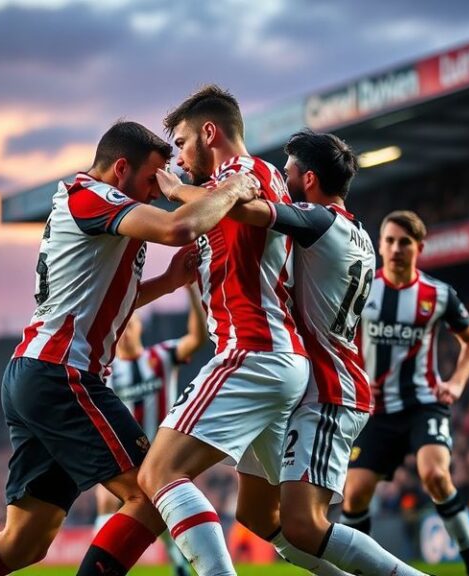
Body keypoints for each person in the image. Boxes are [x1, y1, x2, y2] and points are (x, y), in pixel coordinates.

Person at [0, 120, 258, 576]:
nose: (156, 190)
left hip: (37, 373)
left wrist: (165, 284)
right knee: (151, 491)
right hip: (61, 372)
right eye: (151, 178)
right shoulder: (93, 195)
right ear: (120, 168)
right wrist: (233, 189)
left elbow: (101, 300)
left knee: (24, 541)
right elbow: (179, 228)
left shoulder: (91, 207)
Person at [163, 130, 430, 576]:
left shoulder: (320, 219)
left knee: (304, 525)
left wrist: (175, 189)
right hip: (308, 381)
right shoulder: (355, 232)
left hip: (330, 386)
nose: (280, 181)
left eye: (287, 173)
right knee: (255, 514)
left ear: (308, 179)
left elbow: (244, 210)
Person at [137, 85, 311, 576]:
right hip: (278, 361)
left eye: (185, 142)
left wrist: (171, 191)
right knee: (263, 516)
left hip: (251, 353)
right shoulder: (247, 186)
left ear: (209, 133)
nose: (182, 160)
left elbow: (210, 208)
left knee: (159, 471)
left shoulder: (245, 174)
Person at [341, 210, 469, 576]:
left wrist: (456, 383)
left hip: (423, 403)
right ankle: (363, 570)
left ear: (419, 247)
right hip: (374, 409)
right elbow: (337, 337)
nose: (395, 248)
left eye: (404, 242)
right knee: (354, 494)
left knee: (435, 476)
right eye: (389, 241)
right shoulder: (365, 288)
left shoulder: (438, 295)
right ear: (379, 244)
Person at [94, 286, 206, 576]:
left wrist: (192, 292)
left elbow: (197, 338)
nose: (125, 332)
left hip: (161, 450)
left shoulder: (162, 356)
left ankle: (180, 564)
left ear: (140, 326)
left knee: (165, 509)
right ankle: (101, 565)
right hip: (124, 452)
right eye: (121, 327)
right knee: (107, 501)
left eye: (130, 324)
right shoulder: (106, 372)